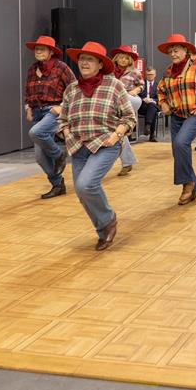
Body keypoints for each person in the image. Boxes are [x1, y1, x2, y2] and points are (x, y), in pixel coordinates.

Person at [58, 41, 137, 250]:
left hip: (105, 144)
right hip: (78, 146)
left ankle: (108, 220)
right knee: (81, 192)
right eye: (82, 59)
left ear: (100, 64)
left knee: (86, 185)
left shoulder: (114, 86)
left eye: (90, 59)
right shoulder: (72, 89)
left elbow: (129, 117)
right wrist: (66, 133)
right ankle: (103, 229)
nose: (84, 63)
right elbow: (62, 119)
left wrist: (116, 135)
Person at [156, 34, 196, 205]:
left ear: (185, 50)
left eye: (176, 50)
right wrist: (163, 103)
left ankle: (187, 185)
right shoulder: (169, 71)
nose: (173, 54)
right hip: (177, 114)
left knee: (180, 142)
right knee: (178, 150)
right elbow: (160, 90)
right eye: (170, 51)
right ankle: (193, 185)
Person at [23, 35, 76, 199]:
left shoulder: (61, 68)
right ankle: (58, 184)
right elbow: (28, 91)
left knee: (36, 132)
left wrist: (62, 107)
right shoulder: (32, 69)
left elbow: (74, 89)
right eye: (36, 49)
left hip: (53, 111)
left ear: (51, 52)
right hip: (37, 112)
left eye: (42, 49)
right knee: (40, 157)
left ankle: (59, 154)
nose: (38, 52)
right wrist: (27, 107)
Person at [110, 45, 143, 176]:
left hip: (131, 98)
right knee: (117, 129)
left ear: (129, 60)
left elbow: (141, 85)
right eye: (121, 58)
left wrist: (135, 90)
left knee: (124, 97)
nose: (123, 60)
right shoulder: (109, 72)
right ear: (116, 58)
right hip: (115, 102)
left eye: (126, 58)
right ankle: (127, 162)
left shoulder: (134, 72)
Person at [137, 66, 160, 141]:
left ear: (155, 75)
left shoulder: (158, 85)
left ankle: (147, 126)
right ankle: (151, 134)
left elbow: (160, 98)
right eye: (148, 74)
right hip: (142, 106)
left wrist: (152, 100)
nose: (150, 76)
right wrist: (143, 99)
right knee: (152, 110)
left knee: (152, 106)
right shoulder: (141, 84)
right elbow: (135, 95)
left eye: (151, 74)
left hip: (153, 105)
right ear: (145, 75)